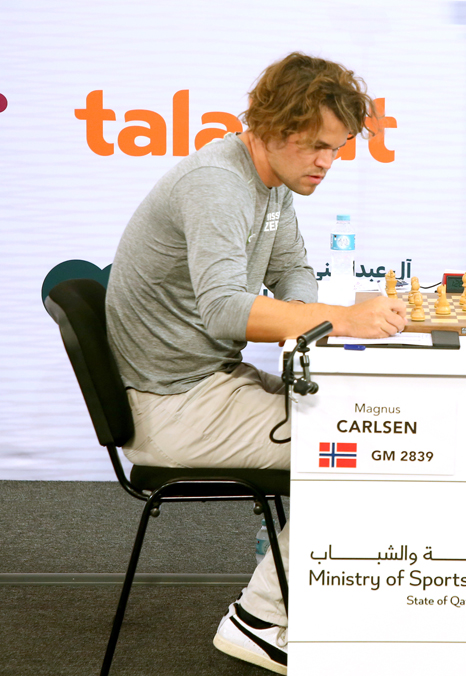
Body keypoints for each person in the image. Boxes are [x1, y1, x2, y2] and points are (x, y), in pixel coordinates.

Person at [105, 52, 406, 674]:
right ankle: (261, 618)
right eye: (318, 145)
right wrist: (340, 320)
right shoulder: (217, 183)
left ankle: (305, 598)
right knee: (364, 445)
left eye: (339, 146)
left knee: (362, 421)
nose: (330, 161)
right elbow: (222, 310)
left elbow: (291, 269)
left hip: (209, 384)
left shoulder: (269, 183)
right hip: (175, 406)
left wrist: (312, 323)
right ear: (273, 127)